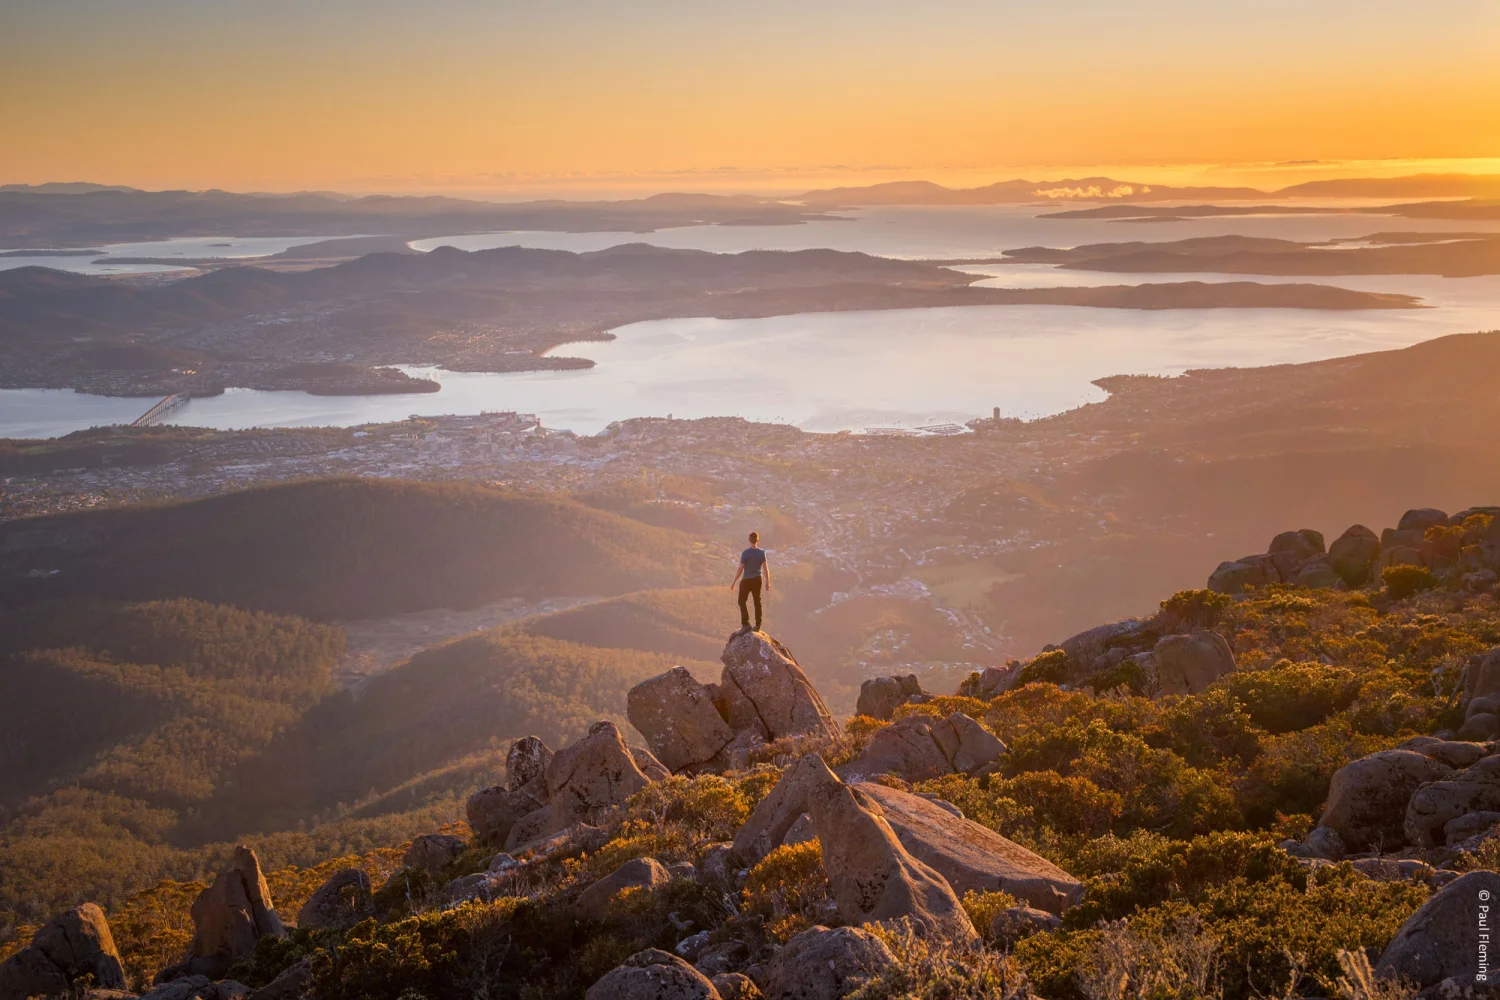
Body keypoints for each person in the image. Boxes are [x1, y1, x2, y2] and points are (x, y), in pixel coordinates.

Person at [729, 531, 770, 632]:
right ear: (758, 540)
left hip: (746, 580)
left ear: (749, 540)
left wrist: (734, 581)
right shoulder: (762, 553)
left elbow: (740, 568)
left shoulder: (745, 553)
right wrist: (767, 581)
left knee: (741, 601)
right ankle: (758, 625)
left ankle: (746, 624)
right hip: (757, 579)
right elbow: (765, 568)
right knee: (757, 601)